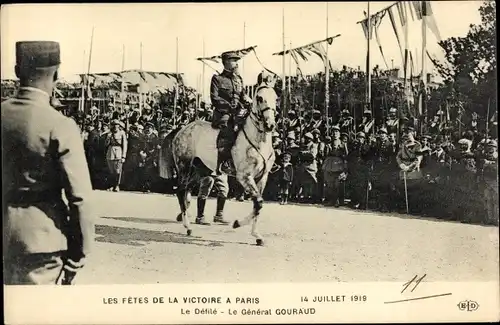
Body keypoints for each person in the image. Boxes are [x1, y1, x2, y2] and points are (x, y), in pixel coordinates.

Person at [3, 41, 94, 285]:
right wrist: (78, 254)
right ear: (56, 74)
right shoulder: (60, 125)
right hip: (41, 244)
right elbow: (80, 198)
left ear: (16, 70)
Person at [210, 50, 252, 175]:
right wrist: (230, 107)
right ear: (226, 62)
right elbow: (214, 98)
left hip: (239, 113)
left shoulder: (239, 79)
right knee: (228, 134)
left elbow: (243, 96)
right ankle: (224, 163)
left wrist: (248, 102)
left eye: (236, 61)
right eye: (233, 61)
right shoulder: (217, 79)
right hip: (224, 113)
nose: (236, 63)